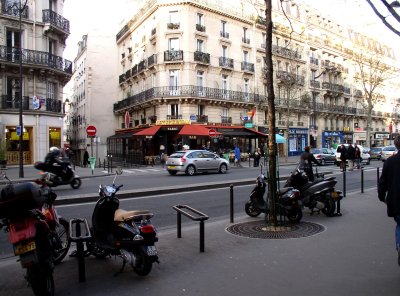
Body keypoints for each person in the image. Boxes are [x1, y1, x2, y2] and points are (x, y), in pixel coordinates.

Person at [378, 135, 400, 266]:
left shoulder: (390, 162)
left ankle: (399, 246)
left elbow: (382, 183)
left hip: (397, 201)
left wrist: (382, 197)